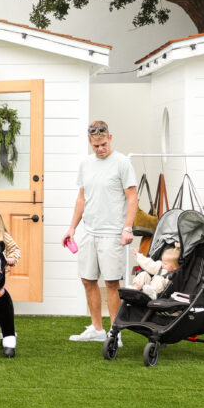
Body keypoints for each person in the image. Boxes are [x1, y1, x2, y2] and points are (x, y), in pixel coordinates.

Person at [63, 121, 138, 343]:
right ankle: (97, 329)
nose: (100, 149)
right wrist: (72, 227)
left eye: (103, 144)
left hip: (113, 232)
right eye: (96, 146)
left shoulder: (122, 163)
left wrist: (127, 228)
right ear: (90, 142)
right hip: (89, 231)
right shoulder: (86, 164)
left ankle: (115, 333)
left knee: (112, 283)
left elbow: (132, 197)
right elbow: (81, 198)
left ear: (110, 138)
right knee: (87, 280)